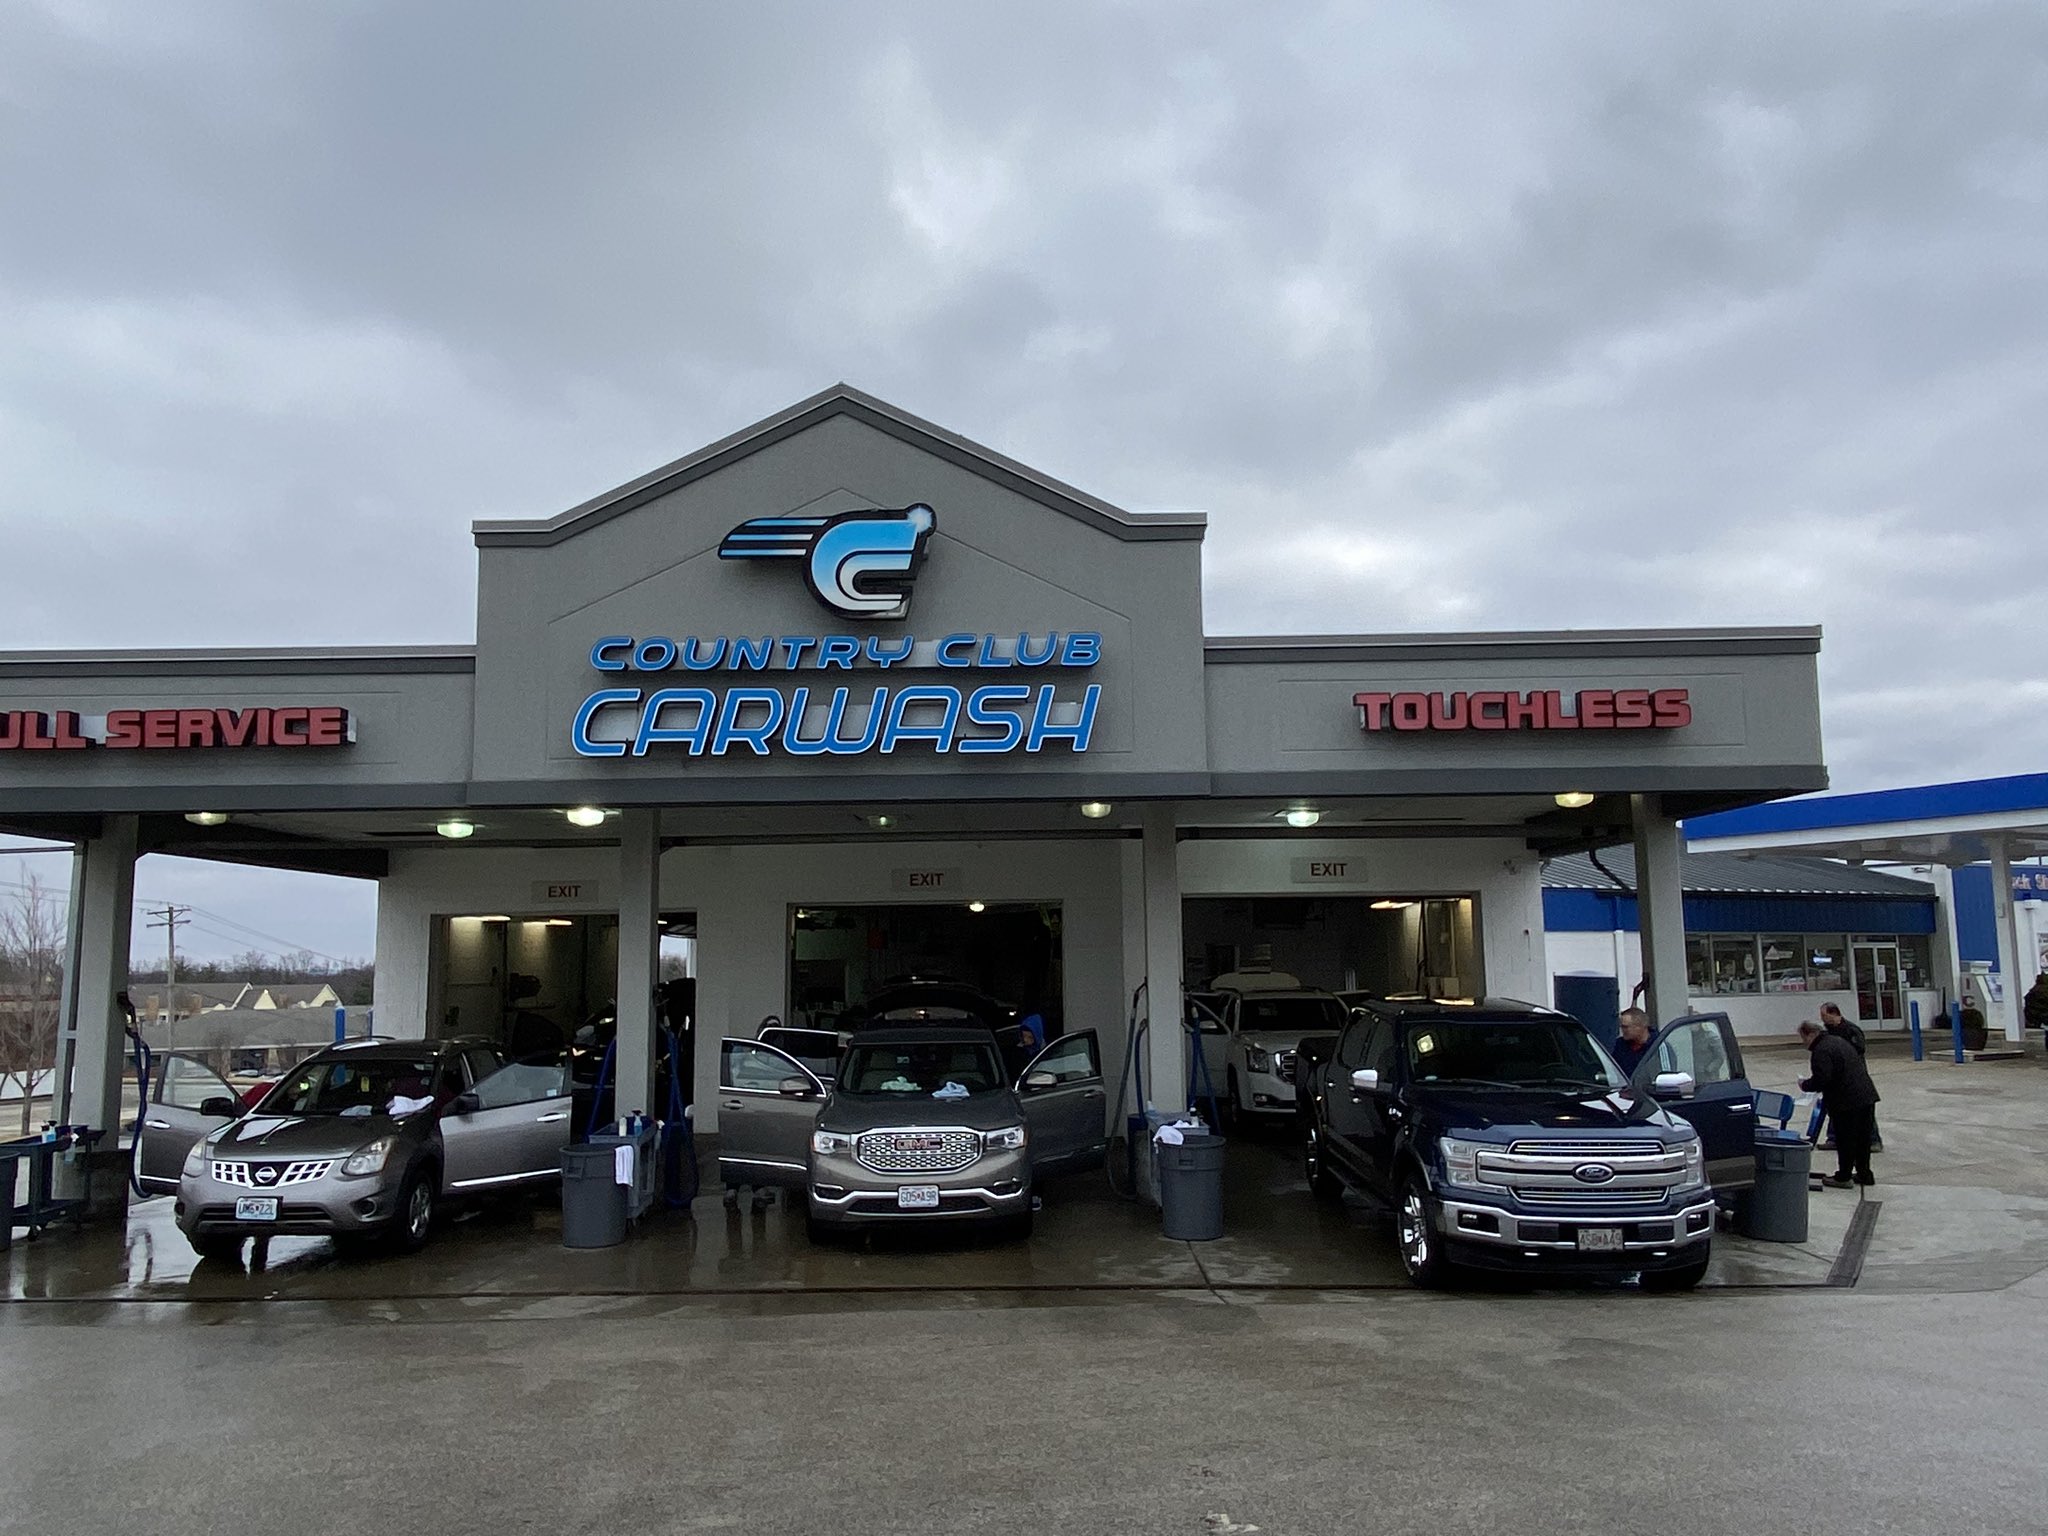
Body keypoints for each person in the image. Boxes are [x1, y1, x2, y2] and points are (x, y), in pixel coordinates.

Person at [1798, 1020, 1880, 1188]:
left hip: (1846, 1101)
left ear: (1811, 1034)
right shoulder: (1838, 1041)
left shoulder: (1821, 1050)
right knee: (1862, 1139)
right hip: (1866, 1095)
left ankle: (1843, 1177)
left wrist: (1805, 1085)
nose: (1804, 1043)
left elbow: (1823, 1078)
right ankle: (1864, 1173)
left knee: (1845, 1139)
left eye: (1803, 1038)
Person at [1817, 1003, 1881, 1152]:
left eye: (1824, 1016)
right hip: (1836, 1076)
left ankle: (1873, 1140)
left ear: (1834, 1014)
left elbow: (1860, 1049)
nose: (1822, 1019)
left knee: (1862, 1107)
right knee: (1835, 1106)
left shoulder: (1851, 1030)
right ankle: (1834, 1138)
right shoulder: (1828, 1032)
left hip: (1854, 1075)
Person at [1610, 1008, 1654, 1075]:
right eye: (1621, 1027)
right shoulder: (1620, 1045)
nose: (1623, 1030)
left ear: (1640, 1026)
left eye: (1626, 1027)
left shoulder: (1659, 1045)